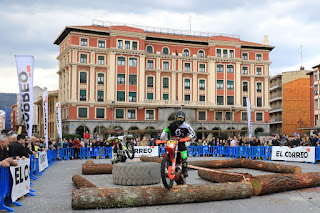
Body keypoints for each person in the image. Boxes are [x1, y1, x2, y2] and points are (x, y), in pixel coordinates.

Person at [160, 111, 195, 177]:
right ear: (176, 118)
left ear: (184, 119)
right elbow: (165, 130)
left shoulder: (187, 126)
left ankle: (185, 170)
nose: (180, 120)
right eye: (178, 118)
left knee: (184, 156)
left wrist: (188, 138)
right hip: (172, 141)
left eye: (181, 119)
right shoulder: (172, 124)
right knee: (168, 152)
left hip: (181, 141)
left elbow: (193, 133)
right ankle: (165, 167)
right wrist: (162, 137)